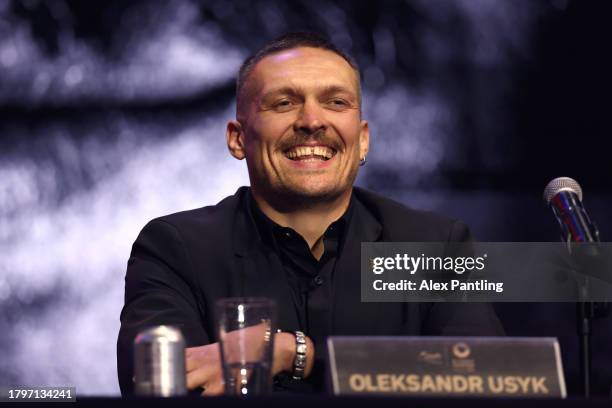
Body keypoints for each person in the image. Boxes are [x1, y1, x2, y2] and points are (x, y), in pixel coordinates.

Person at [117, 32, 503, 396]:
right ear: (238, 139)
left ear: (363, 138)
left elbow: (492, 378)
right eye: (284, 103)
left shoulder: (434, 246)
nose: (312, 121)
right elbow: (157, 381)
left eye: (336, 102)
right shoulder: (175, 248)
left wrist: (297, 355)